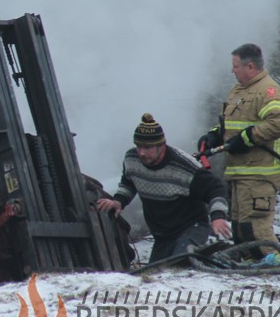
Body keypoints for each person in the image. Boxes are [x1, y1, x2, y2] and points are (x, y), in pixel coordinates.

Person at [98, 113, 230, 264]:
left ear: (162, 146)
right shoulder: (132, 159)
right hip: (162, 235)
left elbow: (216, 188)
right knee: (156, 273)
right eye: (139, 146)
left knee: (182, 263)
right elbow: (129, 183)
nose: (142, 153)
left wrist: (218, 216)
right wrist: (119, 201)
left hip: (191, 228)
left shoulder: (185, 167)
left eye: (148, 148)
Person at [199, 43, 280, 261]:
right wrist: (214, 135)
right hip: (240, 175)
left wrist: (248, 138)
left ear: (250, 67)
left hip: (259, 175)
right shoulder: (238, 91)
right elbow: (230, 125)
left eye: (236, 66)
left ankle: (275, 272)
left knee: (256, 230)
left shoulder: (267, 90)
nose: (233, 70)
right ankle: (251, 269)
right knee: (241, 230)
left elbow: (279, 122)